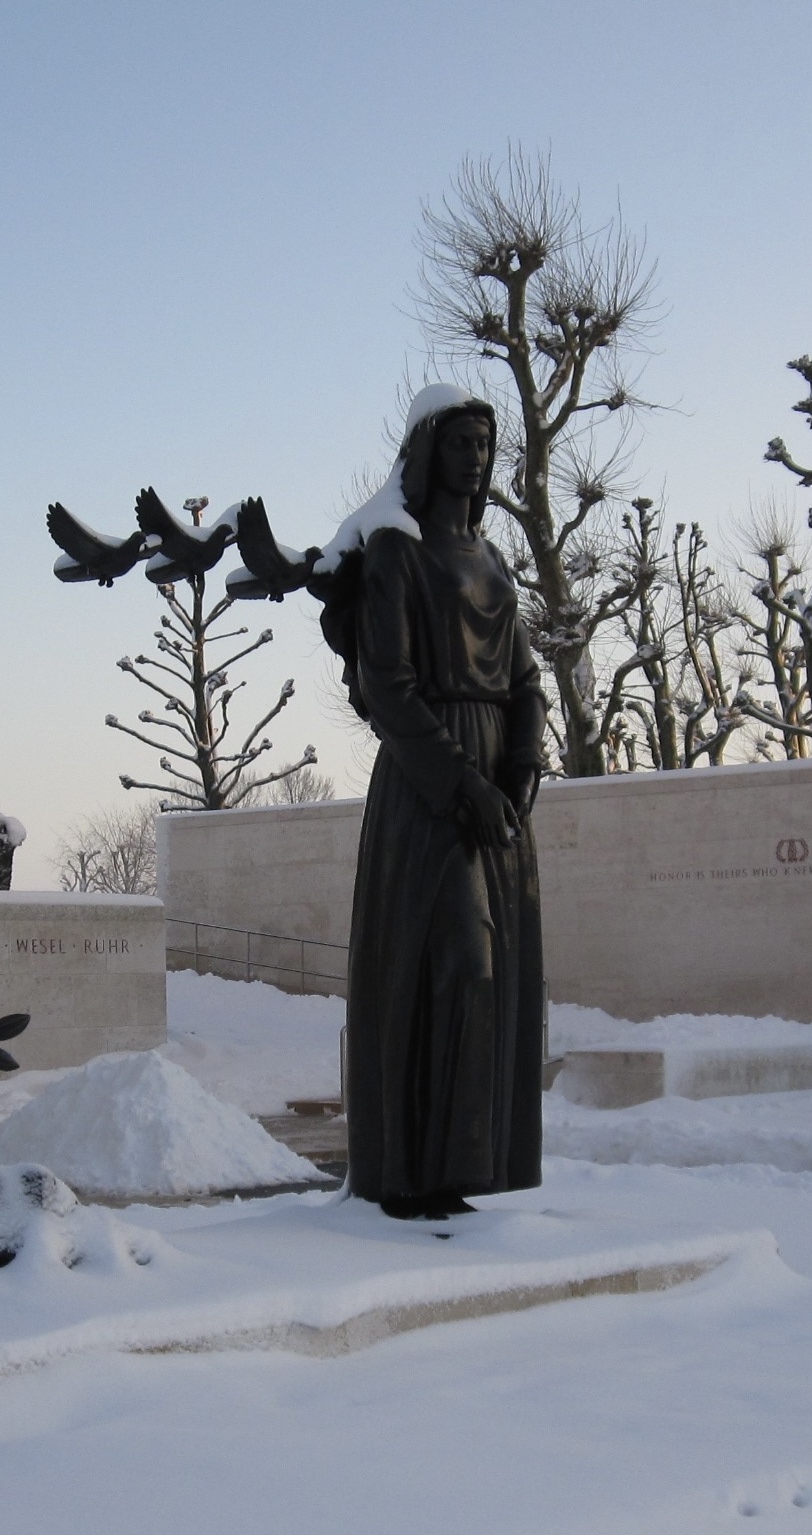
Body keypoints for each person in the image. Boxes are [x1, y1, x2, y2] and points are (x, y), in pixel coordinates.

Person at [319, 385, 549, 1221]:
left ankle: (462, 1166)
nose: (476, 456)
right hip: (429, 788)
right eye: (460, 441)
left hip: (498, 788)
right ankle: (410, 1168)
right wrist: (460, 784)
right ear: (425, 451)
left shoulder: (492, 562)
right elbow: (389, 683)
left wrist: (520, 775)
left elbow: (525, 681)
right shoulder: (396, 551)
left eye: (485, 443)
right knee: (455, 961)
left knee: (496, 976)